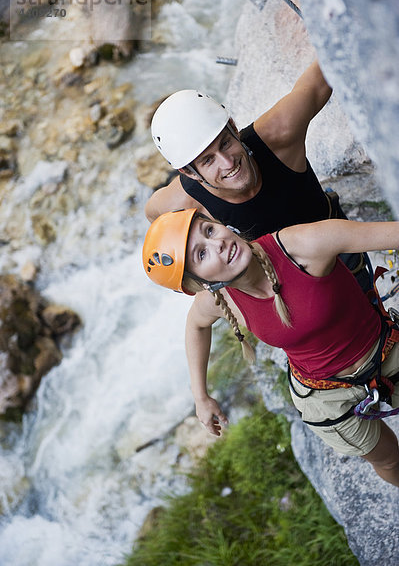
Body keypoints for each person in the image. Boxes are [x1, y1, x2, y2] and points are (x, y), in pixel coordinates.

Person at [142, 208, 399, 486]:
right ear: (201, 284)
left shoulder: (302, 246)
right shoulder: (222, 299)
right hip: (324, 396)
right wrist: (200, 396)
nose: (218, 244)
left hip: (385, 351)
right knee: (388, 460)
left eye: (209, 230)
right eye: (201, 254)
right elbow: (196, 325)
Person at [145, 61, 371, 291]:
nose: (227, 162)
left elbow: (321, 75)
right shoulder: (184, 200)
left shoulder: (278, 135)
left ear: (233, 127)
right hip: (276, 280)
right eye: (208, 160)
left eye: (225, 143)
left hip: (338, 252)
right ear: (189, 173)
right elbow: (153, 215)